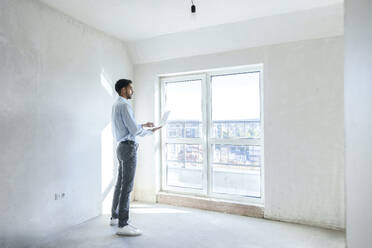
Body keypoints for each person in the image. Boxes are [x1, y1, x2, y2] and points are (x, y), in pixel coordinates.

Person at [110, 79, 161, 236]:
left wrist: (144, 125)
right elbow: (133, 130)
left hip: (120, 147)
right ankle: (123, 225)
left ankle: (115, 216)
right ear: (124, 90)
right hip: (128, 148)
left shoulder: (116, 104)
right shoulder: (125, 105)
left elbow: (128, 126)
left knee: (120, 184)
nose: (133, 91)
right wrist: (150, 132)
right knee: (127, 186)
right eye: (131, 88)